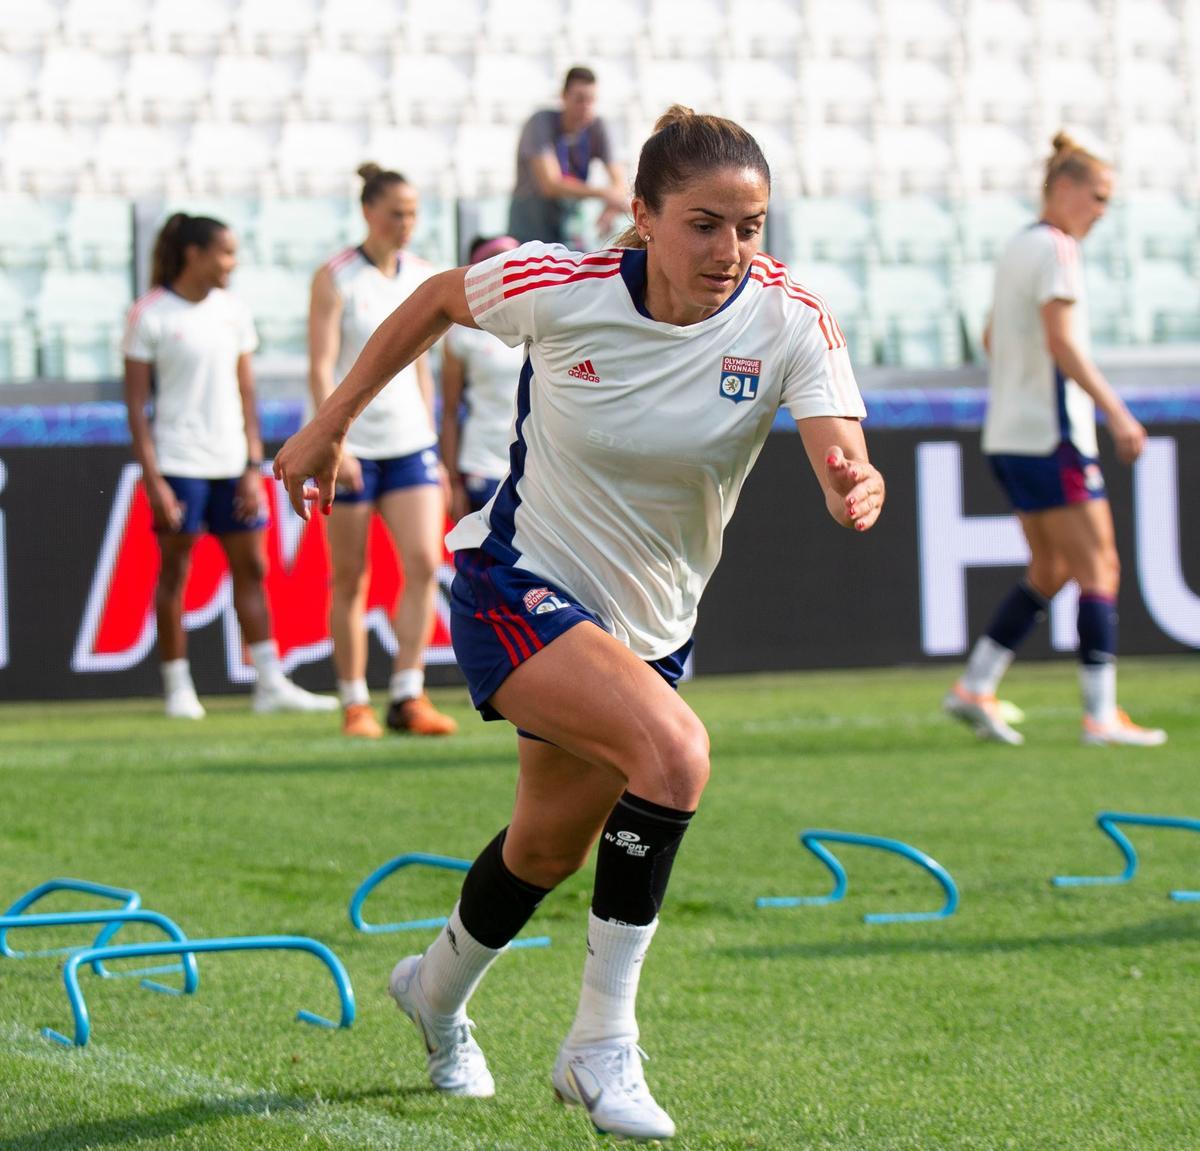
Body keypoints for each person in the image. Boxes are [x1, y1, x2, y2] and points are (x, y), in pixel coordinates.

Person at [275, 106, 884, 1141]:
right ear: (640, 216)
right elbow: (430, 301)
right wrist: (328, 423)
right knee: (677, 753)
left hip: (648, 627)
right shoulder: (558, 287)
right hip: (517, 582)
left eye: (752, 225)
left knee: (546, 848)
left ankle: (433, 991)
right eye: (704, 224)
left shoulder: (788, 316)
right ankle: (598, 1046)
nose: (731, 250)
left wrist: (850, 476)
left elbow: (839, 440)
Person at [944, 132, 1166, 748]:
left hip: (1009, 433)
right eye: (1096, 197)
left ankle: (975, 685)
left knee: (1054, 566)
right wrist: (1117, 413)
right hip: (1053, 434)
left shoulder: (1018, 247)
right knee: (1100, 565)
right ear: (1063, 189)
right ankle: (1101, 716)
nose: (1101, 211)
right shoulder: (1059, 251)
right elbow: (1063, 342)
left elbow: (992, 338)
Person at [123, 213, 337, 720]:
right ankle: (178, 687)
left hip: (231, 464)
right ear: (194, 254)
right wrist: (154, 480)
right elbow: (135, 406)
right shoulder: (149, 313)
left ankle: (269, 684)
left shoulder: (233, 312)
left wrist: (250, 464)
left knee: (253, 571)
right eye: (225, 253)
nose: (232, 264)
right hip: (178, 463)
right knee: (176, 573)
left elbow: (247, 392)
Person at [308, 163, 458, 740]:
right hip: (352, 447)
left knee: (422, 564)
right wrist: (331, 436)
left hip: (409, 443)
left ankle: (407, 693)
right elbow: (321, 364)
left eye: (414, 213)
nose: (406, 224)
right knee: (351, 575)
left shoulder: (422, 275)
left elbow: (421, 364)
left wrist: (432, 439)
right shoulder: (337, 277)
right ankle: (353, 701)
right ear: (368, 212)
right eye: (396, 212)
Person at [439, 235, 525, 521]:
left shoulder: (538, 321)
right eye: (498, 259)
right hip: (481, 463)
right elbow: (450, 412)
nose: (507, 267)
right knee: (484, 562)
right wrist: (452, 483)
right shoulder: (462, 333)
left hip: (532, 467)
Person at [508, 65, 629, 246]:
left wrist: (610, 208)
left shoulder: (597, 127)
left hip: (569, 227)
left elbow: (620, 182)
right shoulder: (540, 123)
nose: (586, 107)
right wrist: (604, 194)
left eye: (591, 100)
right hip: (531, 227)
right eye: (579, 99)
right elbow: (551, 184)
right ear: (563, 97)